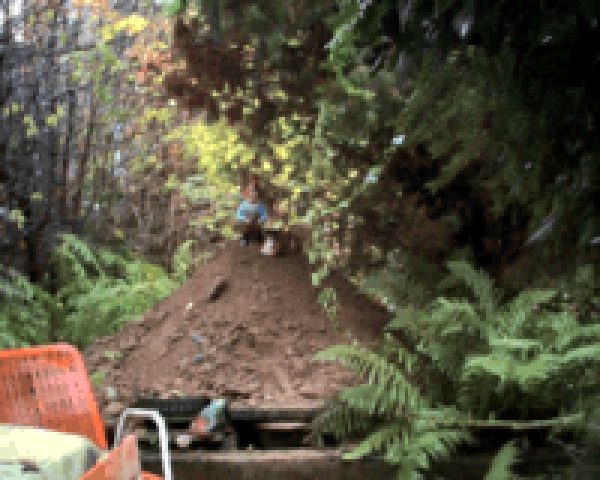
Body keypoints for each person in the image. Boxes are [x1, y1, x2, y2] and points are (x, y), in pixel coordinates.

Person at [235, 177, 267, 246]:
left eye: (255, 194)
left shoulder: (259, 204)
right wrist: (244, 219)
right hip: (246, 221)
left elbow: (264, 213)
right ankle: (244, 238)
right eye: (251, 194)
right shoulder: (243, 205)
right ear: (247, 195)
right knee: (245, 228)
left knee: (259, 229)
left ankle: (259, 239)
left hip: (256, 221)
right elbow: (238, 214)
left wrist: (262, 219)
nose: (253, 196)